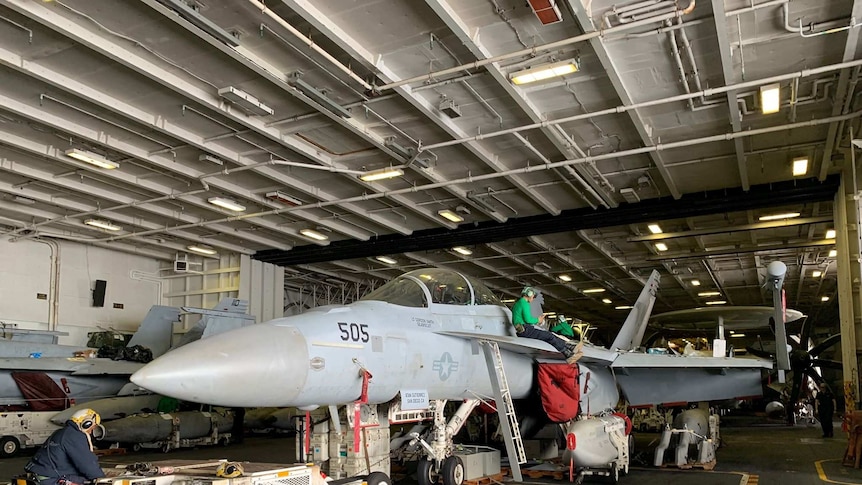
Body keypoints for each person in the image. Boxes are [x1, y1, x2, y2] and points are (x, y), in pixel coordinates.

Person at [25, 409, 106, 485]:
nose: (90, 432)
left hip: (38, 474)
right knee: (88, 481)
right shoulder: (74, 436)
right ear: (87, 424)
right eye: (92, 428)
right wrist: (101, 479)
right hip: (51, 479)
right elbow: (87, 465)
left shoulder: (61, 432)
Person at [512, 287, 581, 364]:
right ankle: (568, 354)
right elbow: (528, 320)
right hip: (526, 329)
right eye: (533, 296)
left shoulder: (517, 304)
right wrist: (539, 320)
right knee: (549, 336)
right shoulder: (524, 303)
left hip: (522, 330)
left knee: (549, 335)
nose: (533, 298)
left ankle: (569, 347)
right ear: (529, 295)